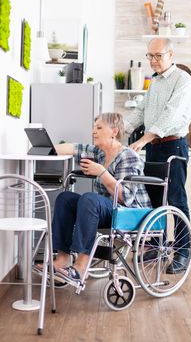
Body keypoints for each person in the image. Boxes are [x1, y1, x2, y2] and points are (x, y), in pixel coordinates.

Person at [44, 112, 151, 284]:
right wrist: (44, 148)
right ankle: (62, 258)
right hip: (104, 209)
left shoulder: (128, 156)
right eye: (94, 127)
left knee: (89, 198)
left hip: (129, 212)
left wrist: (101, 172)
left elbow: (125, 197)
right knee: (65, 198)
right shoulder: (100, 153)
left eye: (99, 127)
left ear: (114, 131)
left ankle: (81, 267)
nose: (94, 131)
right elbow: (73, 148)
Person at [125, 38, 191, 273]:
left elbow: (171, 114)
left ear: (171, 55)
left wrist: (144, 139)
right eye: (150, 56)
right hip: (154, 147)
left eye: (158, 56)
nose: (153, 61)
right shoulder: (154, 82)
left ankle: (183, 251)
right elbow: (142, 111)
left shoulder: (182, 80)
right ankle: (157, 245)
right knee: (154, 200)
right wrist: (119, 127)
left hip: (172, 147)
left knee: (175, 200)